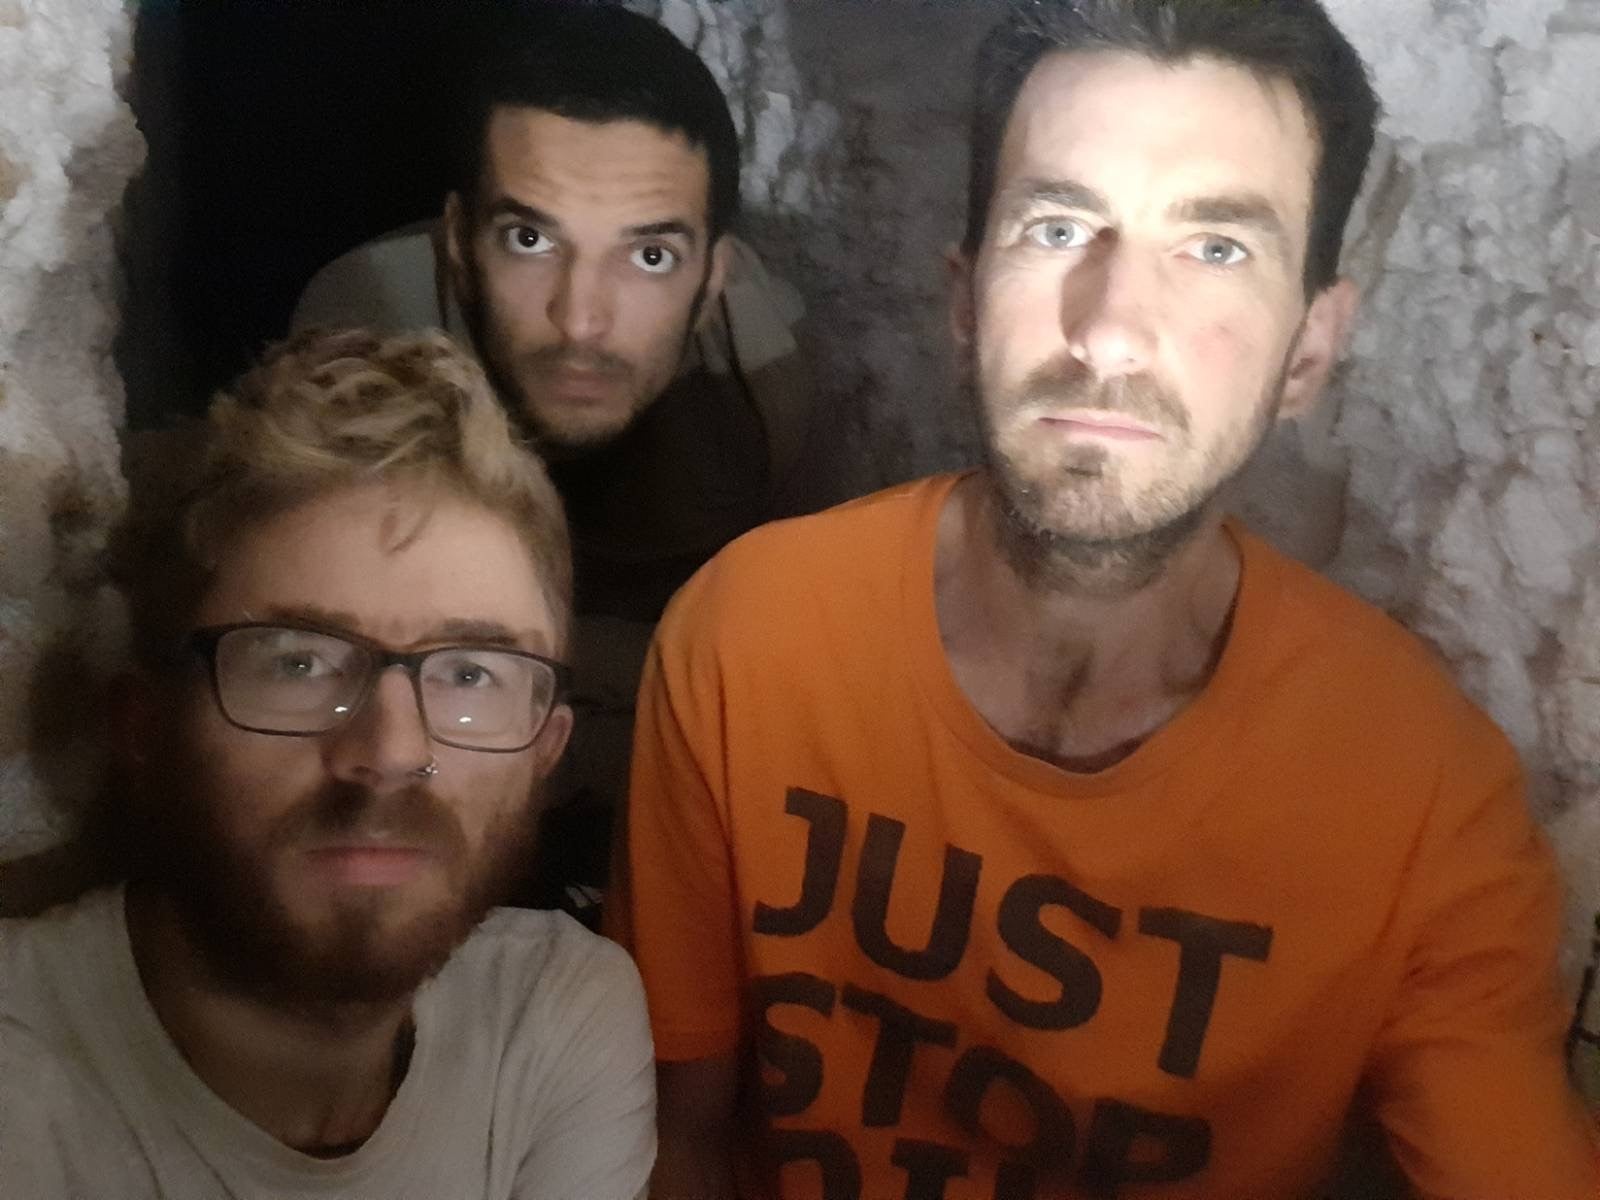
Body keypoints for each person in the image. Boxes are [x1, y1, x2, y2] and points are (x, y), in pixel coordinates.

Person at [612, 2, 1600, 1197]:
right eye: (1058, 222)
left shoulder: (1423, 802)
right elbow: (676, 1138)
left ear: (1308, 348)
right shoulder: (749, 639)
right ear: (966, 296)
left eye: (1216, 247)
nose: (1110, 331)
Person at [0, 330, 655, 1198]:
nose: (389, 755)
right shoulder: (23, 1079)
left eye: (469, 674)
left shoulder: (555, 1019)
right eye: (297, 662)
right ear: (146, 729)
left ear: (546, 752)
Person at [291, 1, 816, 923]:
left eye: (649, 255)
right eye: (531, 240)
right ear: (458, 244)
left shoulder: (760, 387)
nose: (582, 320)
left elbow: (772, 671)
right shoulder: (364, 325)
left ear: (713, 281)